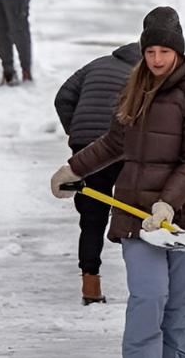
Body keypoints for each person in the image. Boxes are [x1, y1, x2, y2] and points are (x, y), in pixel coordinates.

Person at [49, 7, 185, 358]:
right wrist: (74, 169)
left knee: (177, 311)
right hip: (136, 217)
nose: (157, 60)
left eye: (165, 51)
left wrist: (169, 203)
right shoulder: (135, 90)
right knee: (148, 300)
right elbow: (113, 143)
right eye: (151, 52)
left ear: (178, 52)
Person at [54, 42, 141, 305]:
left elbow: (63, 98)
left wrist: (77, 134)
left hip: (86, 146)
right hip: (121, 145)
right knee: (134, 210)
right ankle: (143, 281)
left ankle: (90, 283)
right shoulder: (142, 75)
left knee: (92, 215)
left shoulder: (95, 65)